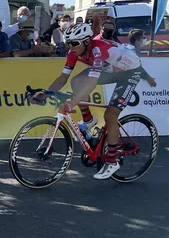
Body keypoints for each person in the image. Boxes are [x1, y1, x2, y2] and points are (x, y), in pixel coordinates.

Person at [38, 23, 143, 180]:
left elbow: (92, 84)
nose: (71, 47)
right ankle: (89, 120)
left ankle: (112, 161)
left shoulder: (97, 49)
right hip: (110, 70)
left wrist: (72, 103)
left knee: (110, 115)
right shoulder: (73, 52)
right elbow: (63, 78)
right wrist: (44, 93)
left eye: (74, 43)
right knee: (76, 81)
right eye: (68, 43)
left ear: (87, 41)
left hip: (129, 73)